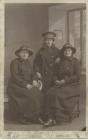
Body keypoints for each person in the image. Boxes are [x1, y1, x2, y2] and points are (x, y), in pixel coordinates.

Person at [44, 43, 81, 127]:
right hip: (60, 84)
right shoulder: (60, 62)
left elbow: (77, 76)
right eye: (65, 50)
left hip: (72, 86)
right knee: (49, 93)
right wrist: (56, 80)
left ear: (72, 52)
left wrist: (64, 81)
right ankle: (50, 117)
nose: (67, 52)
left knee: (57, 95)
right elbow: (55, 74)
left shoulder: (76, 62)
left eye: (69, 50)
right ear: (63, 52)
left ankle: (57, 118)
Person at [7, 45, 43, 124]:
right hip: (16, 86)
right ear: (19, 54)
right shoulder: (14, 62)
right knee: (30, 96)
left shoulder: (28, 63)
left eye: (26, 53)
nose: (24, 54)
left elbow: (33, 74)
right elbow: (15, 77)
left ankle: (35, 116)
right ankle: (24, 117)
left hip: (27, 85)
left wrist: (34, 79)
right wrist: (26, 85)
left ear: (28, 55)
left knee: (38, 94)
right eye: (22, 52)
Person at [33, 32, 60, 120]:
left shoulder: (57, 51)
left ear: (53, 41)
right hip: (43, 76)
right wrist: (37, 71)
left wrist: (59, 60)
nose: (48, 42)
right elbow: (36, 63)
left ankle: (53, 115)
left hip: (54, 76)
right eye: (47, 40)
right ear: (44, 41)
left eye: (50, 40)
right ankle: (44, 114)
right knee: (43, 94)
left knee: (52, 94)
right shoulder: (40, 51)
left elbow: (62, 64)